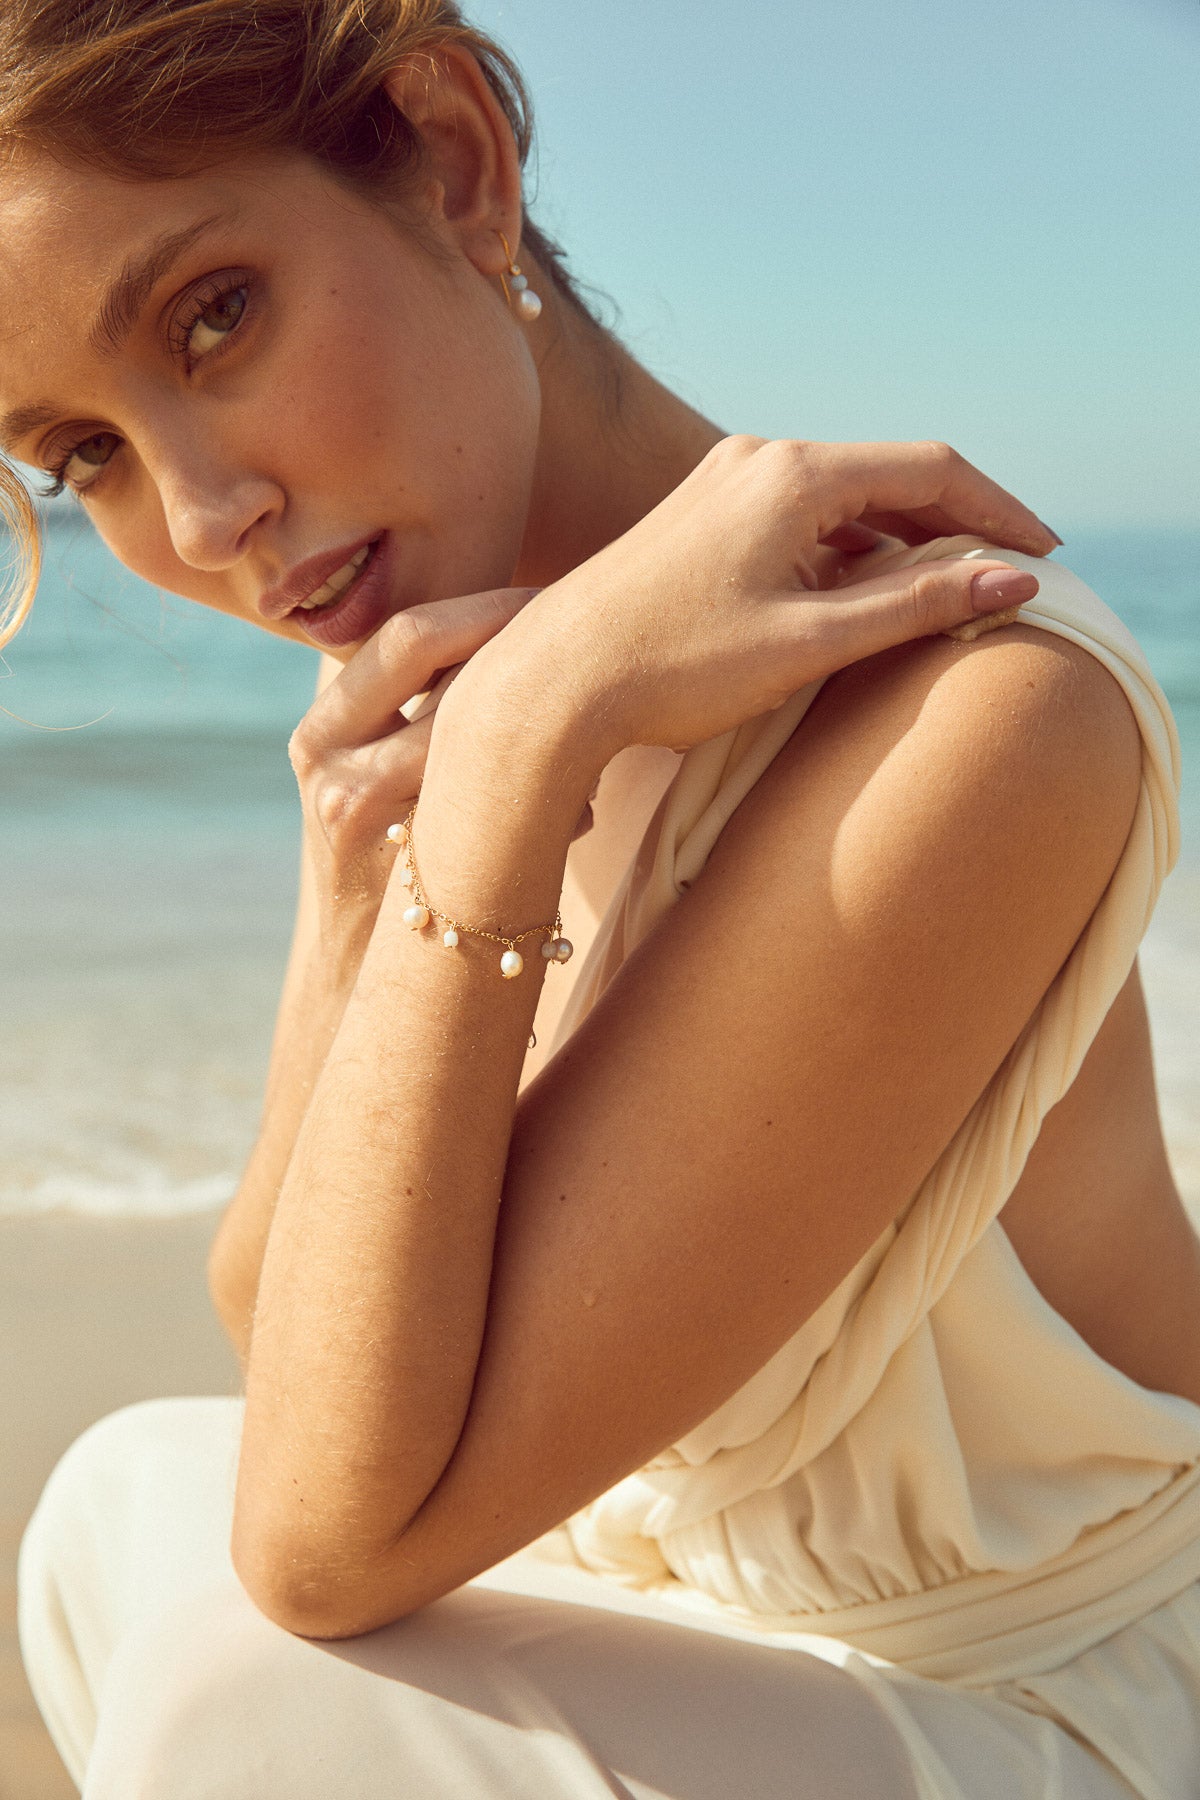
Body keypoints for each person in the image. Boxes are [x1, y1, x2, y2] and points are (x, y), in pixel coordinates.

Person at [2, 3, 1197, 1795]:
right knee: (114, 1502)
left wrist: (522, 751)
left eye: (214, 316)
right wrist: (361, 892)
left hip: (1059, 1703)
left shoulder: (975, 721)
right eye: (82, 456)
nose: (204, 508)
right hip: (707, 1645)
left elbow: (326, 1544)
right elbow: (283, 1321)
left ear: (456, 158)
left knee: (255, 1703)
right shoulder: (466, 709)